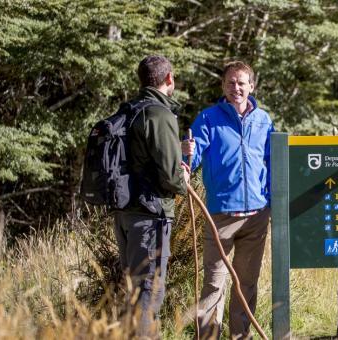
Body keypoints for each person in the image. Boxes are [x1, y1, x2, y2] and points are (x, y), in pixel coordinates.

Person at [183, 61, 274, 339]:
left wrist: (271, 200)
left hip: (257, 216)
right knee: (213, 284)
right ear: (223, 86)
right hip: (220, 215)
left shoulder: (264, 120)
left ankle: (240, 336)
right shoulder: (208, 118)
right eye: (231, 82)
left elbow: (271, 161)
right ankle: (209, 336)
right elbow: (193, 154)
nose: (236, 87)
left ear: (252, 86)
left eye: (242, 82)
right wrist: (185, 162)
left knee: (246, 283)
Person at [114, 55, 190, 338]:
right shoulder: (160, 114)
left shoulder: (130, 109)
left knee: (135, 291)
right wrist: (184, 178)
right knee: (149, 291)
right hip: (150, 217)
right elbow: (171, 177)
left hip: (125, 214)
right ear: (169, 78)